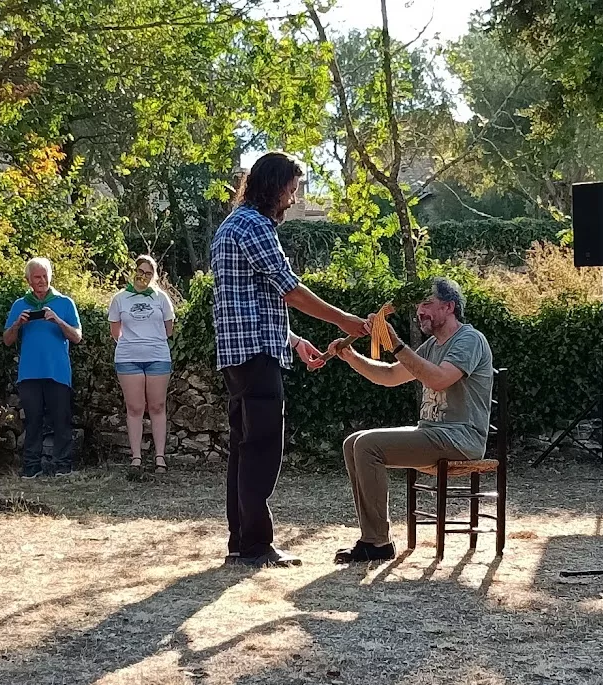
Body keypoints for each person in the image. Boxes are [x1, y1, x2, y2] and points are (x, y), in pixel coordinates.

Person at [212, 150, 369, 568]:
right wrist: (346, 320)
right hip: (257, 356)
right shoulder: (257, 227)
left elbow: (250, 303)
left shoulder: (230, 225)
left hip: (237, 355)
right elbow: (290, 290)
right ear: (274, 185)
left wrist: (295, 341)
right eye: (291, 189)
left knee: (244, 451)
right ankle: (257, 546)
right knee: (262, 449)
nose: (294, 198)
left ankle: (240, 542)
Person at [328, 277, 494, 564]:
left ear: (449, 307)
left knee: (367, 445)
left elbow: (439, 380)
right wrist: (351, 357)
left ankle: (377, 542)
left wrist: (395, 343)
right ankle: (373, 537)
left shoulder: (469, 339)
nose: (420, 312)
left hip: (460, 438)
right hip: (432, 433)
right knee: (352, 442)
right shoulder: (432, 346)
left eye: (427, 304)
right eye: (418, 305)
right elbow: (392, 375)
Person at [2, 256, 82, 478]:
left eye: (45, 275)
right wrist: (18, 323)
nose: (42, 280)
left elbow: (77, 337)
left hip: (57, 372)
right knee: (33, 421)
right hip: (29, 374)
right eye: (37, 277)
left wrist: (57, 320)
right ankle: (31, 467)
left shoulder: (65, 303)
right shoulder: (20, 305)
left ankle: (63, 466)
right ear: (28, 279)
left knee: (61, 420)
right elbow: (7, 340)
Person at [108, 254, 176, 479]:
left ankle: (160, 456)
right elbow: (115, 331)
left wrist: (149, 341)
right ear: (133, 271)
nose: (143, 276)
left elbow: (168, 329)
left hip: (157, 356)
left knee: (157, 406)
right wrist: (133, 344)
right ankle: (136, 457)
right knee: (135, 408)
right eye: (140, 271)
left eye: (148, 273)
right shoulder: (120, 299)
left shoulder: (161, 298)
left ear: (153, 276)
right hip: (128, 358)